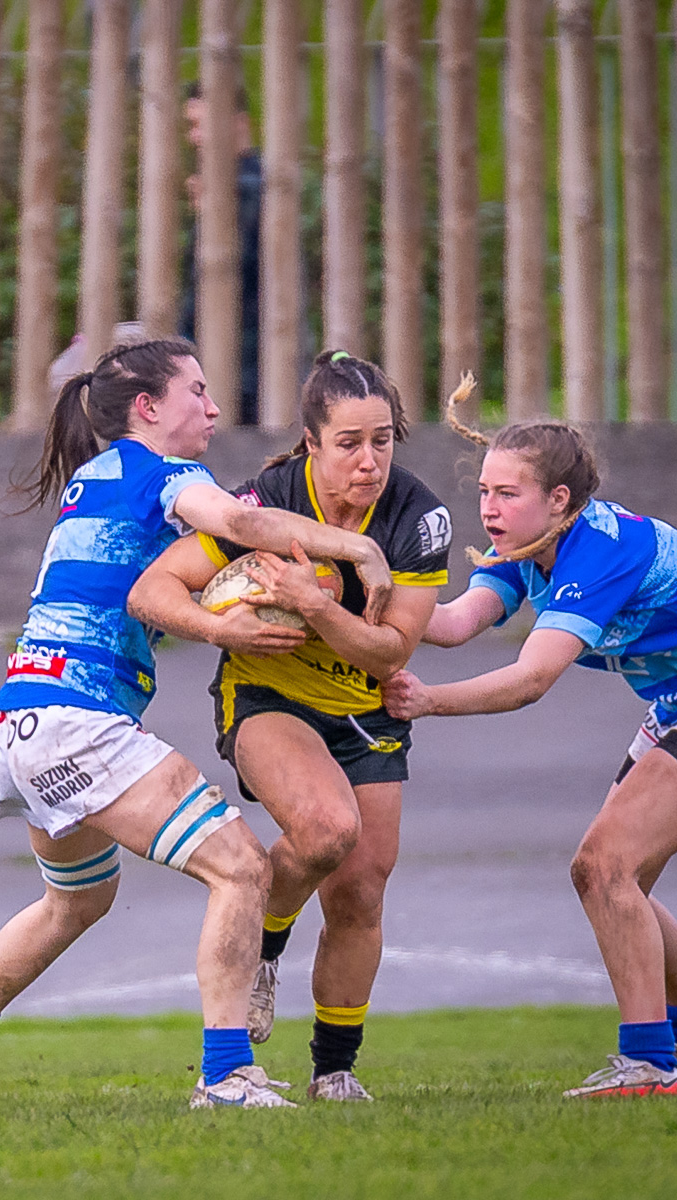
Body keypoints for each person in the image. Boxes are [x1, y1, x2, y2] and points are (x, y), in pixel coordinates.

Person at [0, 338, 398, 1112]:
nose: (211, 407)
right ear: (147, 409)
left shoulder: (96, 476)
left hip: (20, 720)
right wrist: (359, 546)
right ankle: (228, 1077)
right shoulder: (161, 472)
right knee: (241, 866)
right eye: (196, 392)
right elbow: (237, 520)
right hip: (78, 720)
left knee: (77, 901)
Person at [381, 390, 677, 1099]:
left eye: (507, 493)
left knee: (606, 866)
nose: (488, 508)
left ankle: (649, 1066)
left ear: (560, 499)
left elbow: (532, 678)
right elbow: (452, 623)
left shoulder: (599, 549)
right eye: (484, 490)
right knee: (614, 878)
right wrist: (357, 587)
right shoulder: (527, 547)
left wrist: (427, 702)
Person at [128, 349, 452, 1102]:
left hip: (364, 709)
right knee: (325, 827)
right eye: (348, 443)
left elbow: (390, 653)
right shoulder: (269, 500)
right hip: (267, 696)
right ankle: (267, 945)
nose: (368, 462)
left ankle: (333, 1069)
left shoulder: (417, 516)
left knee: (361, 890)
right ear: (312, 443)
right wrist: (219, 631)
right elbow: (153, 588)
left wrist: (312, 604)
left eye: (382, 441)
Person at [177, 83, 262, 425]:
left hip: (248, 368)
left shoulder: (252, 189)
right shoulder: (232, 188)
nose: (193, 138)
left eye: (200, 126)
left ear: (238, 125)